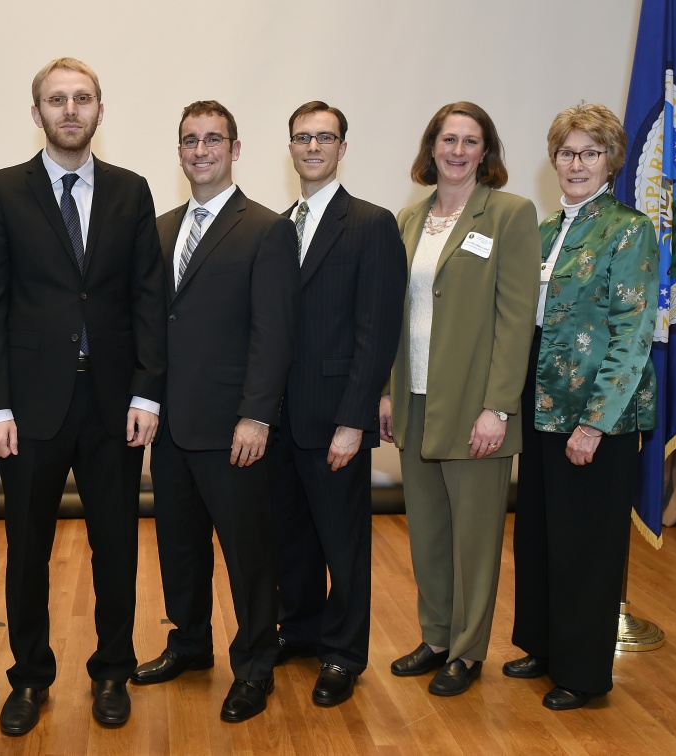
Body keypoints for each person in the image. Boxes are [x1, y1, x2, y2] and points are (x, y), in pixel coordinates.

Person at [0, 57, 167, 735]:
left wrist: (149, 393)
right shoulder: (2, 191)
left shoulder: (130, 191)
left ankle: (113, 671)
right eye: (57, 99)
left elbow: (149, 298)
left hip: (114, 404)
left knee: (117, 544)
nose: (71, 109)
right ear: (37, 113)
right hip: (29, 409)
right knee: (27, 549)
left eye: (83, 98)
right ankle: (29, 678)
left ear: (100, 111)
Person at [129, 101, 298, 723]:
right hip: (171, 424)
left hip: (234, 428)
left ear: (234, 148)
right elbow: (152, 322)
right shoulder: (162, 226)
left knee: (248, 552)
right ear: (179, 152)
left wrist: (257, 415)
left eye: (212, 140)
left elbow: (274, 333)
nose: (200, 151)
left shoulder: (266, 227)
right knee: (179, 546)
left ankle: (254, 663)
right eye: (189, 142)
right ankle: (190, 644)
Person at [503, 103, 658, 711]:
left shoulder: (629, 229)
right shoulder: (544, 230)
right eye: (567, 152)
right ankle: (542, 646)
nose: (576, 163)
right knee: (541, 535)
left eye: (590, 153)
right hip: (541, 405)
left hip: (597, 413)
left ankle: (583, 672)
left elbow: (633, 332)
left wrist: (595, 421)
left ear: (611, 161)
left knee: (586, 547)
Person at [381, 101, 539, 696]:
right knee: (426, 530)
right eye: (447, 139)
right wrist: (389, 392)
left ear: (486, 153)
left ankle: (469, 652)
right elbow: (395, 315)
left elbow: (516, 319)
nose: (456, 151)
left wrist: (498, 407)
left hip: (476, 406)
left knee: (474, 540)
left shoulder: (510, 215)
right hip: (417, 401)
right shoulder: (409, 218)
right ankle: (437, 635)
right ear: (431, 147)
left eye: (470, 141)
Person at [269, 101, 407, 706]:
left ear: (343, 146)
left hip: (335, 419)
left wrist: (354, 421)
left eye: (325, 137)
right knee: (290, 538)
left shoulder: (371, 224)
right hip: (277, 419)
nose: (313, 147)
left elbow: (378, 331)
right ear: (291, 147)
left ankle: (344, 654)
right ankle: (298, 631)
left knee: (342, 543)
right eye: (303, 138)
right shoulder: (277, 224)